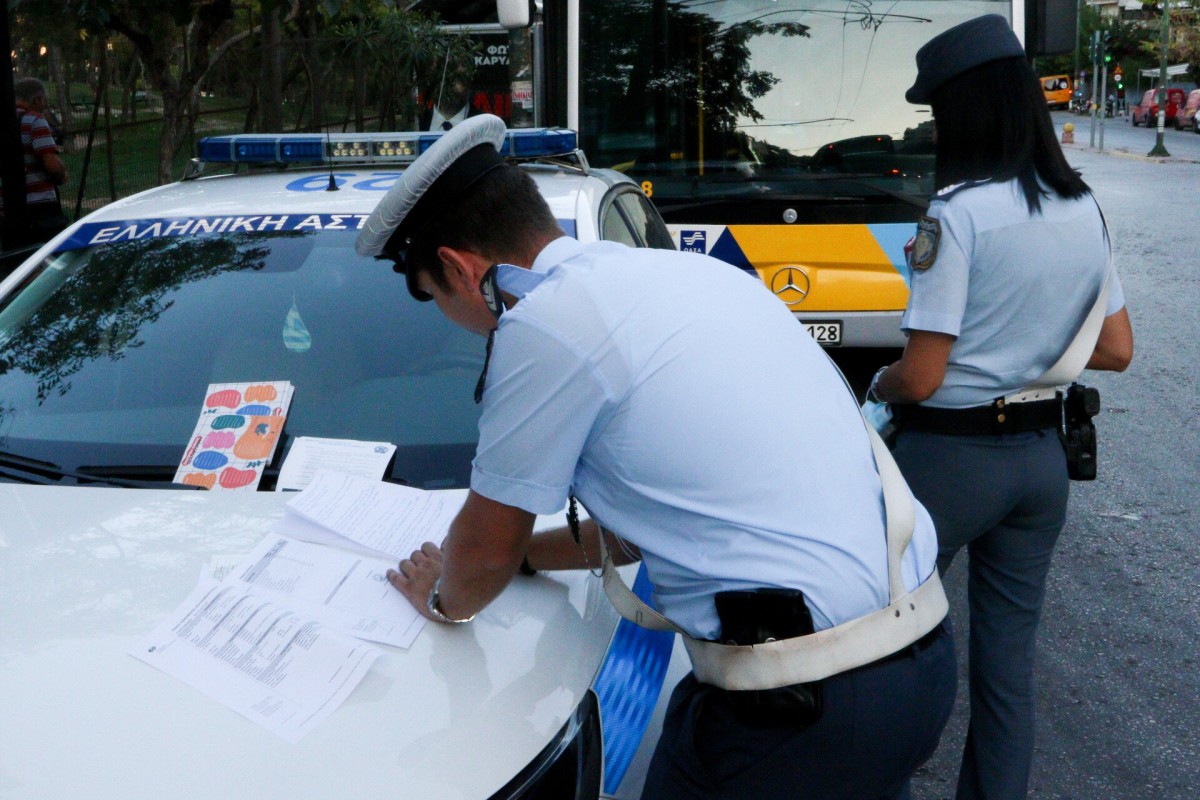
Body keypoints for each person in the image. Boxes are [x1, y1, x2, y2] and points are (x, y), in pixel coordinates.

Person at [356, 114, 956, 799]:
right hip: (913, 663)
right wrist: (529, 558)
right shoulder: (687, 277)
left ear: (460, 270)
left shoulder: (547, 323)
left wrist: (442, 596)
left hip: (796, 706)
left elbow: (484, 556)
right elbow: (665, 516)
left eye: (433, 295)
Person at [870, 15, 1134, 800]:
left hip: (946, 463)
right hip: (1040, 463)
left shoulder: (956, 214)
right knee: (1008, 668)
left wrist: (876, 385)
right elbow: (1117, 348)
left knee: (883, 649)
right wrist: (1024, 349)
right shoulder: (1081, 205)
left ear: (966, 111)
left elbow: (921, 377)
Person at [2, 77, 69, 243]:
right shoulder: (35, 120)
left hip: (7, 206)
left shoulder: (6, 122)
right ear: (37, 99)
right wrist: (62, 174)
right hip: (39, 207)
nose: (45, 105)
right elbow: (51, 164)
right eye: (44, 100)